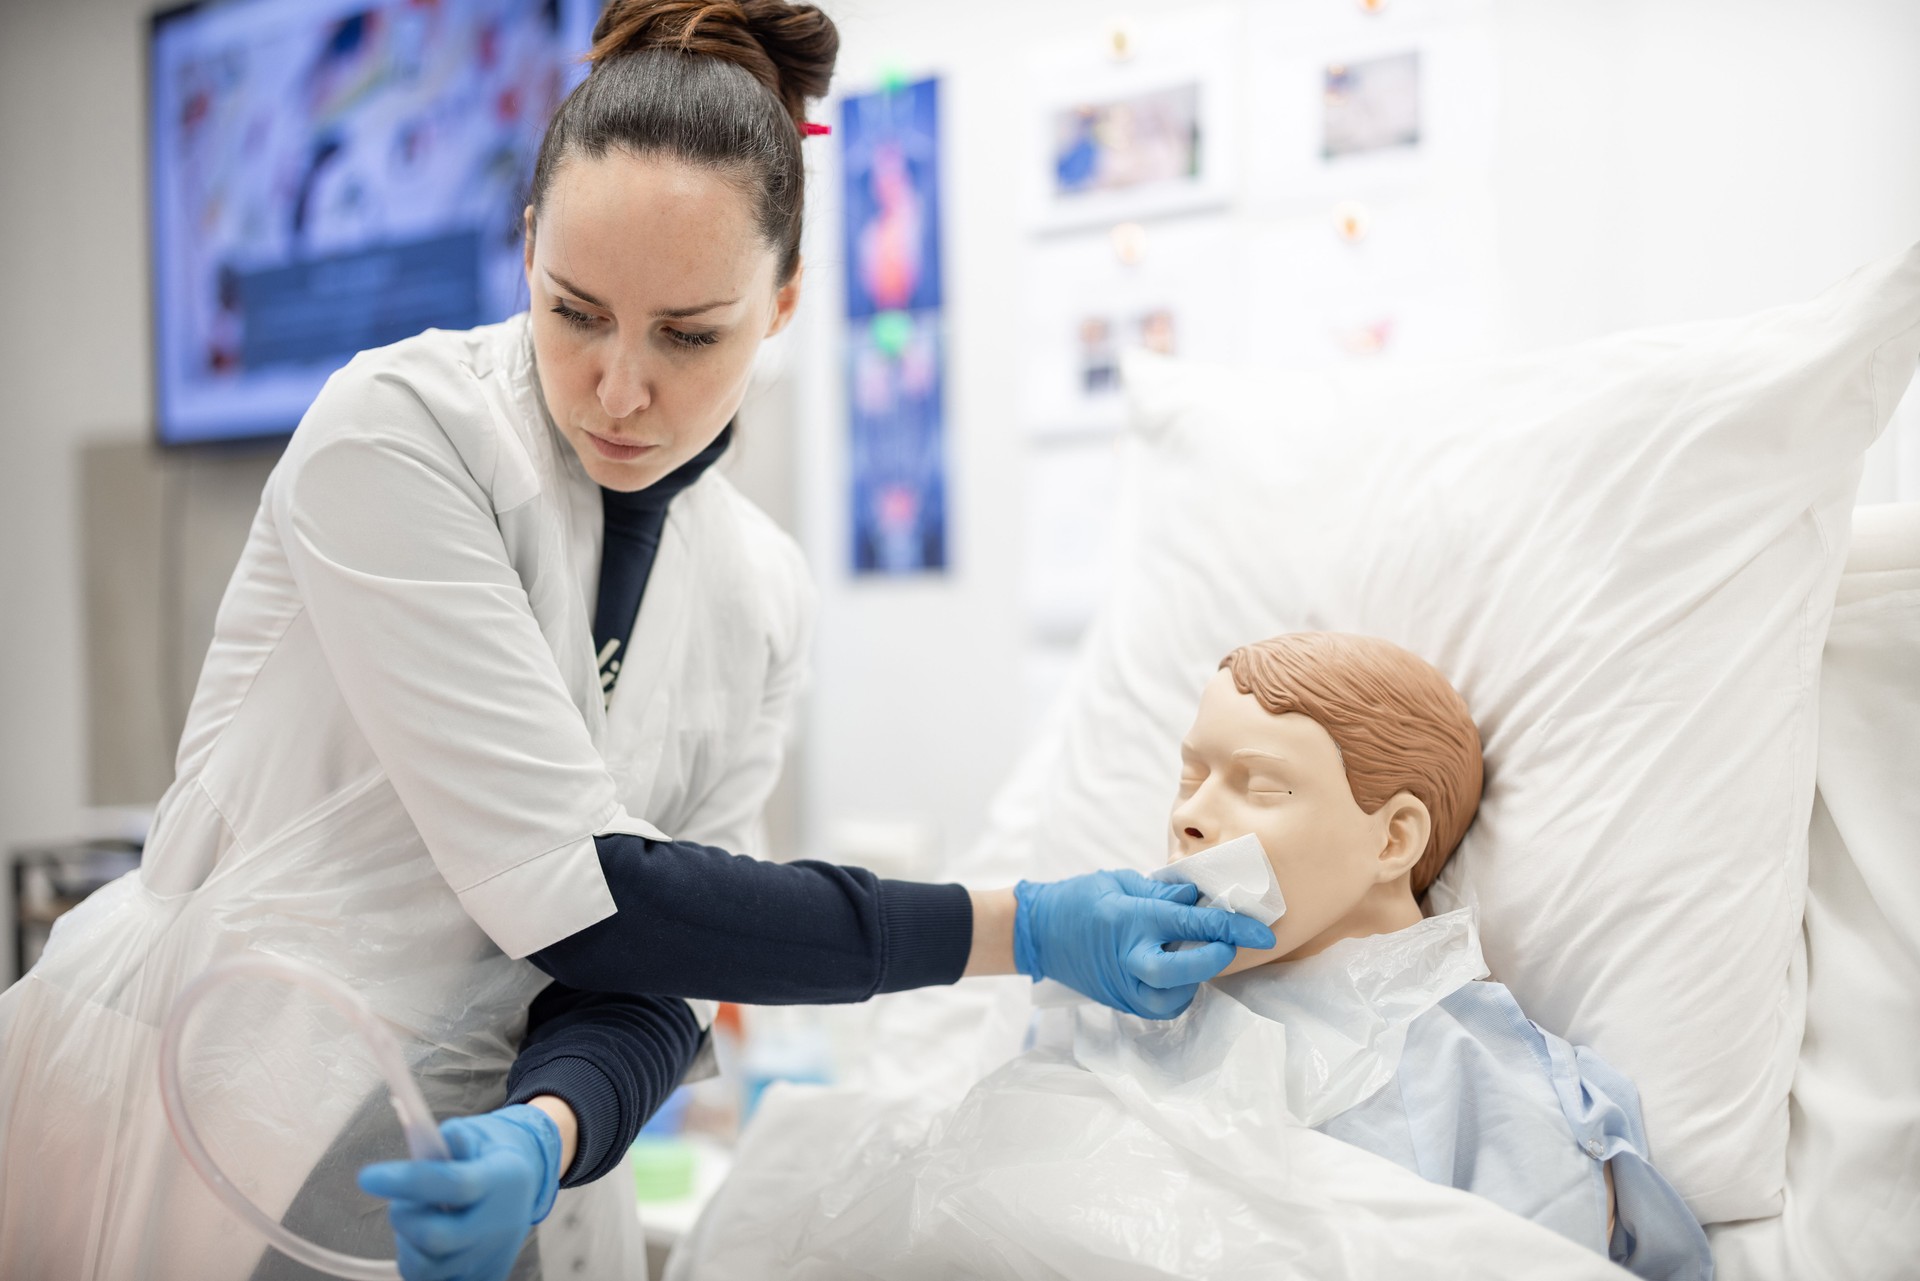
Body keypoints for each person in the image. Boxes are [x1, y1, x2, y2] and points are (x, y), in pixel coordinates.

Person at [0, 5, 1275, 1280]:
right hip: (206, 1103)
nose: (619, 387)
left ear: (778, 307)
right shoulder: (398, 435)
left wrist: (550, 1131)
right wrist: (1021, 928)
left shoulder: (759, 592)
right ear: (525, 252)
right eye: (575, 310)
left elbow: (667, 960)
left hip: (499, 1167)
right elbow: (593, 899)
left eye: (687, 333)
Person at [659, 633, 1714, 1280]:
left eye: (1257, 785)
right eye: (1190, 778)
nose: (1194, 823)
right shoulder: (1118, 1005)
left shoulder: (1483, 1079)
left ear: (1392, 840)